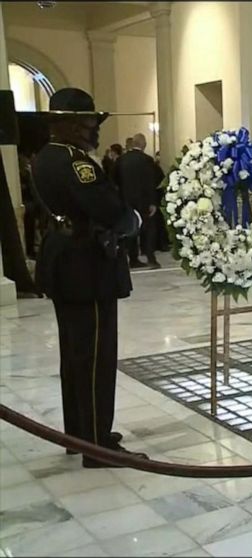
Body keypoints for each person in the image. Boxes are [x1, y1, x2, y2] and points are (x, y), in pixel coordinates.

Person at [30, 87, 147, 467]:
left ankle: (79, 434)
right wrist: (133, 220)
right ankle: (98, 447)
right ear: (70, 124)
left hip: (66, 261)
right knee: (95, 357)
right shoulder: (76, 163)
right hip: (86, 266)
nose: (94, 129)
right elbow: (108, 209)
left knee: (75, 355)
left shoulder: (46, 156)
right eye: (89, 122)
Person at [113, 133, 163, 269]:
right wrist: (153, 201)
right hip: (144, 200)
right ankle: (151, 257)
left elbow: (114, 180)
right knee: (149, 229)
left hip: (126, 200)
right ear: (143, 144)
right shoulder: (147, 160)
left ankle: (133, 259)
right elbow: (153, 181)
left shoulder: (121, 160)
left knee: (131, 229)